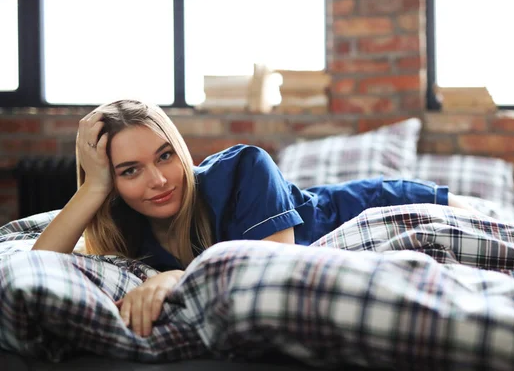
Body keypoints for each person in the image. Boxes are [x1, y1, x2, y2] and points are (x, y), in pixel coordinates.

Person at [31, 99, 476, 337]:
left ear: (181, 151)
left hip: (377, 204)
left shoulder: (244, 167)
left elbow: (272, 268)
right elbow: (40, 263)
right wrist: (94, 186)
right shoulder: (123, 218)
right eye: (130, 170)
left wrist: (171, 279)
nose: (159, 180)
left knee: (481, 224)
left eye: (165, 156)